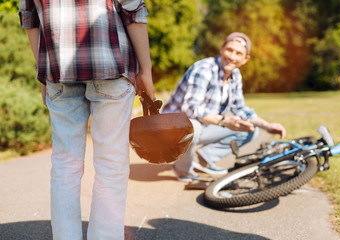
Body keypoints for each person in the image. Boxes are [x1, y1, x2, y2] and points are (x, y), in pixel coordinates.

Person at [19, 0, 155, 239]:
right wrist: (146, 70)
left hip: (58, 73)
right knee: (111, 165)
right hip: (111, 66)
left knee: (64, 165)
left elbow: (29, 19)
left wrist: (43, 73)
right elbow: (133, 10)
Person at [162, 32, 286, 182]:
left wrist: (268, 126)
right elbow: (191, 109)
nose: (232, 57)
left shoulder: (235, 75)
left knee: (250, 130)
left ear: (245, 59)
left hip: (203, 125)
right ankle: (182, 170)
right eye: (229, 50)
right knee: (193, 127)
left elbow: (240, 108)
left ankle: (202, 159)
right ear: (221, 49)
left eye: (238, 53)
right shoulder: (204, 69)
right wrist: (225, 121)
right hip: (171, 127)